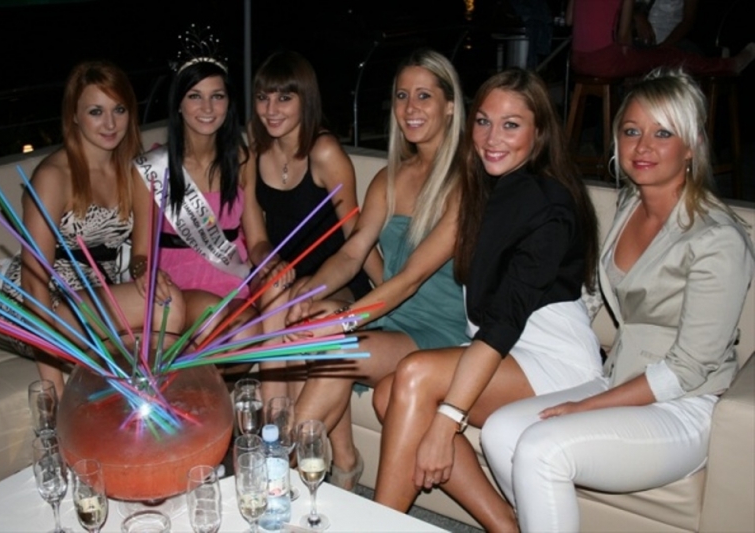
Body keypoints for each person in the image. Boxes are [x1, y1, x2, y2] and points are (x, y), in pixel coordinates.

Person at [482, 67, 755, 532]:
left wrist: (586, 406)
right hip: (618, 377)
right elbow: (592, 297)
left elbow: (689, 368)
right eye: (631, 131)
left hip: (685, 405)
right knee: (500, 430)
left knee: (542, 447)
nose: (642, 147)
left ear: (691, 145)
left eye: (662, 133)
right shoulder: (629, 206)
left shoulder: (718, 240)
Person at [372, 68, 603, 531]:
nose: (492, 138)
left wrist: (446, 423)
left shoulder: (547, 202)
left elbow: (504, 320)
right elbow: (415, 271)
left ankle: (378, 525)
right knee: (385, 395)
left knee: (414, 374)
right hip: (503, 350)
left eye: (511, 125)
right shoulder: (483, 189)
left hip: (551, 359)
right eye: (483, 121)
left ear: (539, 133)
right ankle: (504, 524)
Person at [285, 48, 469, 490]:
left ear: (450, 106)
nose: (410, 107)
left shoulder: (466, 180)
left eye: (424, 95)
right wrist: (308, 296)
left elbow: (410, 279)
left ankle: (282, 466)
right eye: (402, 96)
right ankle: (338, 465)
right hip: (389, 315)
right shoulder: (390, 177)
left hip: (440, 330)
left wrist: (344, 321)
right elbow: (352, 254)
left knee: (336, 349)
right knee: (302, 322)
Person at [1, 60, 185, 397]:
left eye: (119, 109)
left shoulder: (134, 172)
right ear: (74, 115)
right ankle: (150, 404)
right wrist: (53, 385)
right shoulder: (54, 176)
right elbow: (33, 279)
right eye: (96, 112)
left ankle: (148, 407)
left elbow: (140, 255)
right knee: (165, 307)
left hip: (97, 293)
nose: (110, 123)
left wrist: (144, 272)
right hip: (42, 304)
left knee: (165, 303)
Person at [242, 50, 382, 402]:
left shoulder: (324, 152)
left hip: (335, 276)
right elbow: (256, 239)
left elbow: (355, 233)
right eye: (263, 97)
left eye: (284, 98)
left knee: (295, 304)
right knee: (276, 287)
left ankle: (282, 418)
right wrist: (272, 262)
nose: (271, 110)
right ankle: (276, 413)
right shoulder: (254, 147)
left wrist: (389, 291)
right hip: (280, 272)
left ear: (305, 100)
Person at [132, 35, 258, 345]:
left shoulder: (242, 160)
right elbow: (139, 254)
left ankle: (194, 374)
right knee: (213, 320)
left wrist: (273, 261)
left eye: (217, 96)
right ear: (178, 103)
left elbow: (258, 239)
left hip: (231, 281)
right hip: (176, 285)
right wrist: (144, 271)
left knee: (246, 334)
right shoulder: (153, 167)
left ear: (228, 103)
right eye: (194, 96)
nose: (207, 107)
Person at [566, 0, 755, 78]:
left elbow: (569, 20)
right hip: (607, 59)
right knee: (672, 58)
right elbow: (624, 36)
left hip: (576, 60)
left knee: (673, 56)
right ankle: (730, 64)